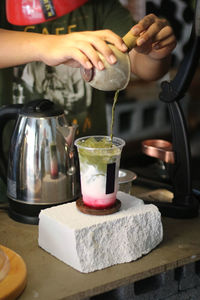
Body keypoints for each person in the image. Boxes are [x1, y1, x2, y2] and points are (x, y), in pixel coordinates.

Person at [0, 0, 177, 137]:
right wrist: (45, 45)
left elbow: (141, 64)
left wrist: (155, 53)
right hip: (14, 161)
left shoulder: (100, 7)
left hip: (85, 160)